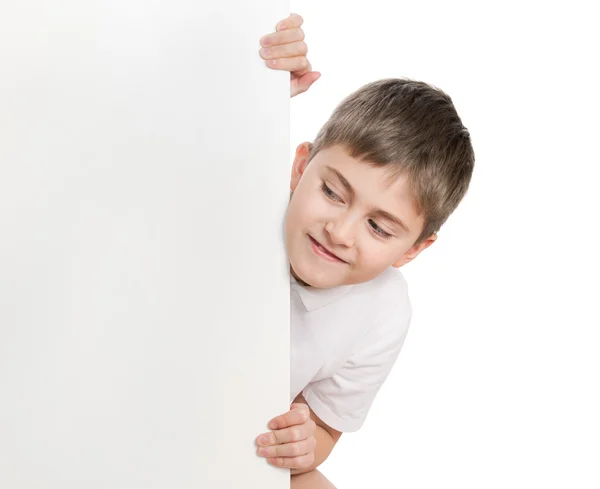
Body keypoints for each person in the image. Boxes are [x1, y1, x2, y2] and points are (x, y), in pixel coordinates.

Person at [255, 14, 475, 489]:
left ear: (413, 250)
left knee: (311, 481)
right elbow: (173, 148)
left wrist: (302, 443)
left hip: (231, 441)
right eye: (333, 192)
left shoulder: (384, 309)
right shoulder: (247, 198)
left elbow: (325, 428)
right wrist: (254, 83)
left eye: (378, 227)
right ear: (300, 166)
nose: (340, 232)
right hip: (128, 383)